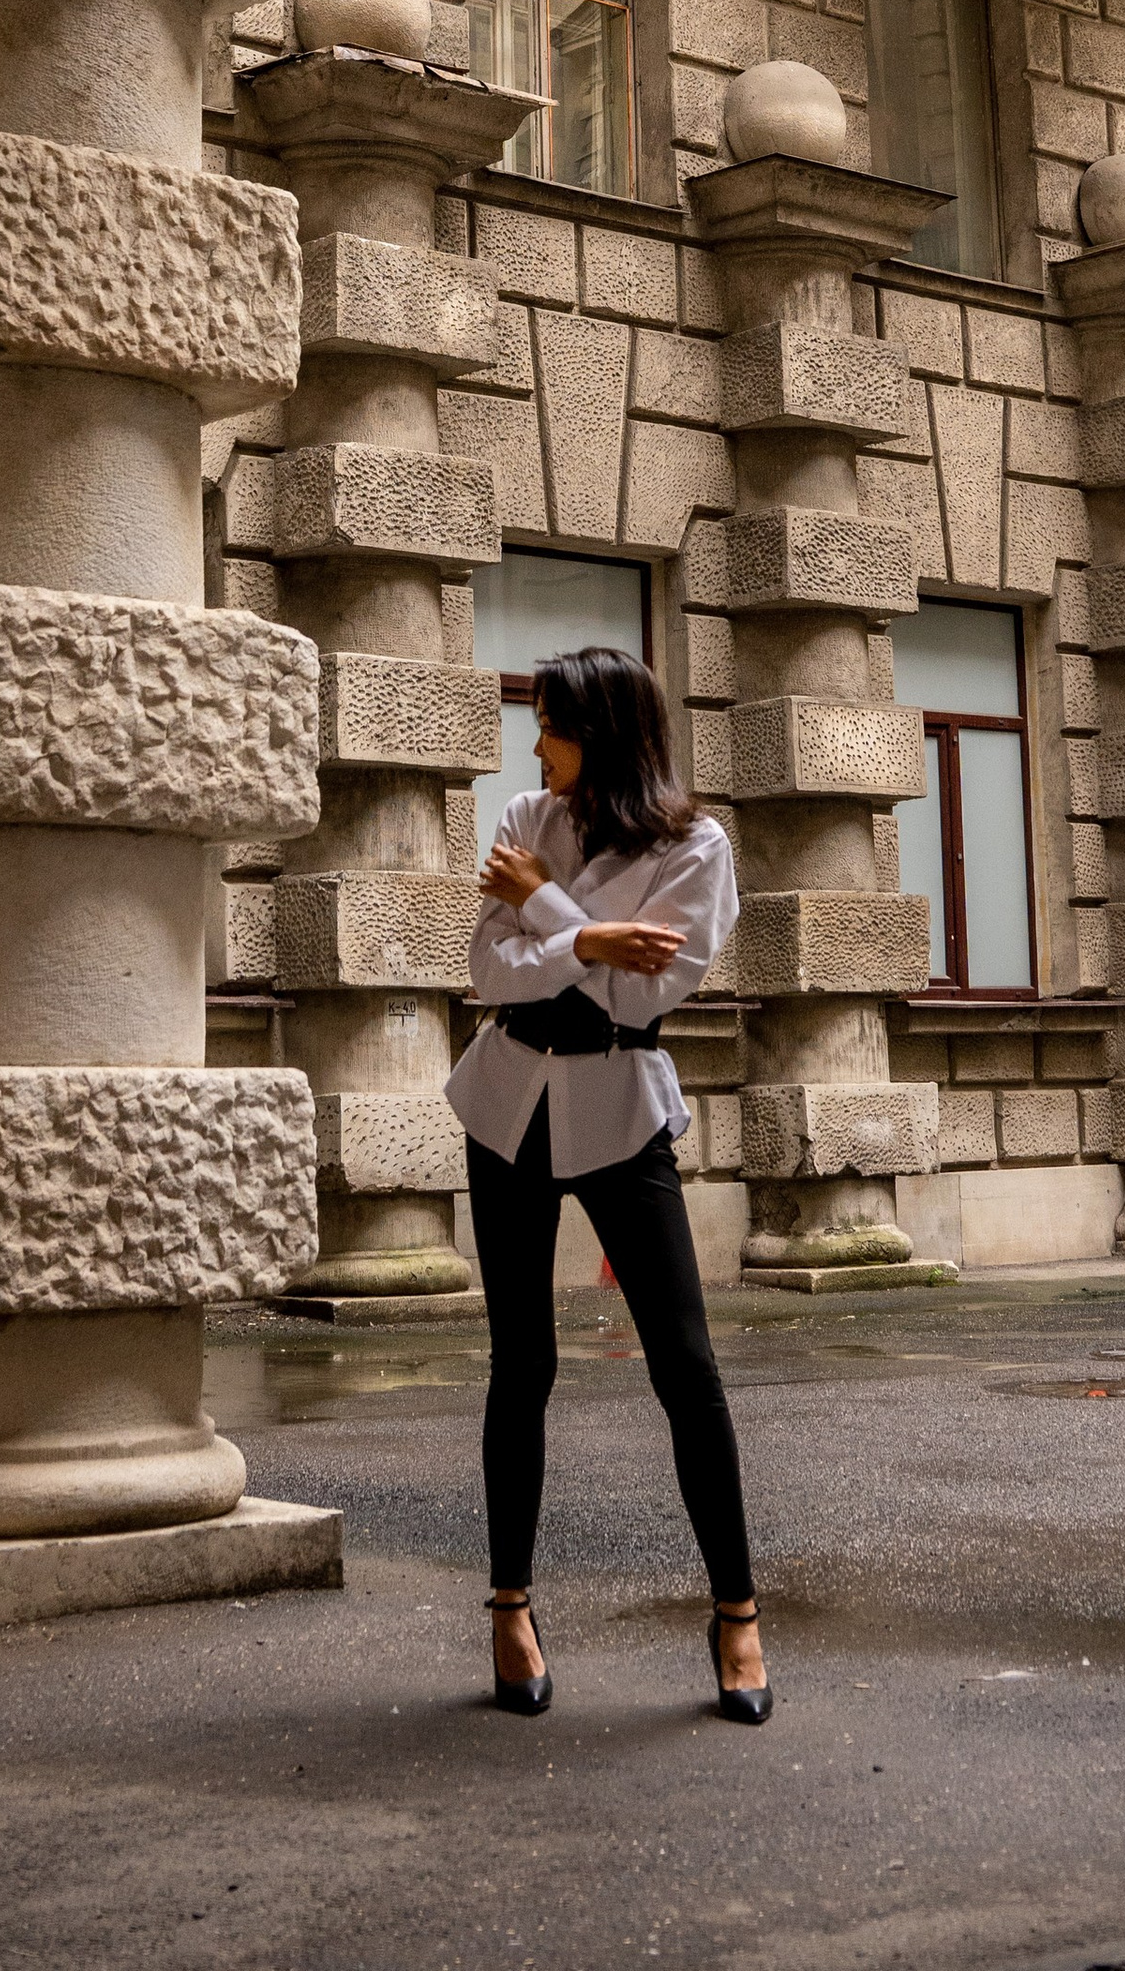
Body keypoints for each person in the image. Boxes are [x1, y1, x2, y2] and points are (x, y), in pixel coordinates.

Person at [444, 644, 768, 1725]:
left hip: (620, 1111)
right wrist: (585, 934)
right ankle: (508, 1608)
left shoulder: (695, 844)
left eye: (552, 724)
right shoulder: (526, 818)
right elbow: (489, 977)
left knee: (684, 1364)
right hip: (505, 1107)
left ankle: (736, 1614)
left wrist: (544, 915)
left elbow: (645, 997)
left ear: (607, 733)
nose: (534, 745)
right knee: (519, 1364)